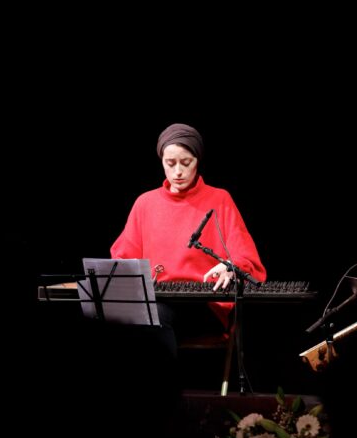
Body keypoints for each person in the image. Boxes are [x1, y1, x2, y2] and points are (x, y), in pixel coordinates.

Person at [111, 123, 267, 344]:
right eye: (170, 163)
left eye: (186, 163)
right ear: (161, 162)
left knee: (152, 321)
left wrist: (231, 266)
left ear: (197, 162)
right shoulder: (145, 203)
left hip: (203, 307)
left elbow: (246, 258)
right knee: (134, 320)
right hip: (158, 302)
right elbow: (122, 260)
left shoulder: (219, 200)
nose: (178, 171)